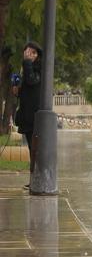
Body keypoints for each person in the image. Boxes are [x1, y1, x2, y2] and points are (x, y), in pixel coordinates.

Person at [12, 42, 43, 187]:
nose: (29, 55)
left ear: (38, 56)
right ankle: (34, 180)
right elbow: (27, 91)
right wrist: (17, 90)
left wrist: (27, 63)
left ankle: (38, 180)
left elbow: (32, 81)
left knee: (36, 150)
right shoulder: (25, 68)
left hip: (36, 118)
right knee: (32, 149)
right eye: (27, 52)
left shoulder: (39, 69)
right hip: (26, 116)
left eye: (33, 53)